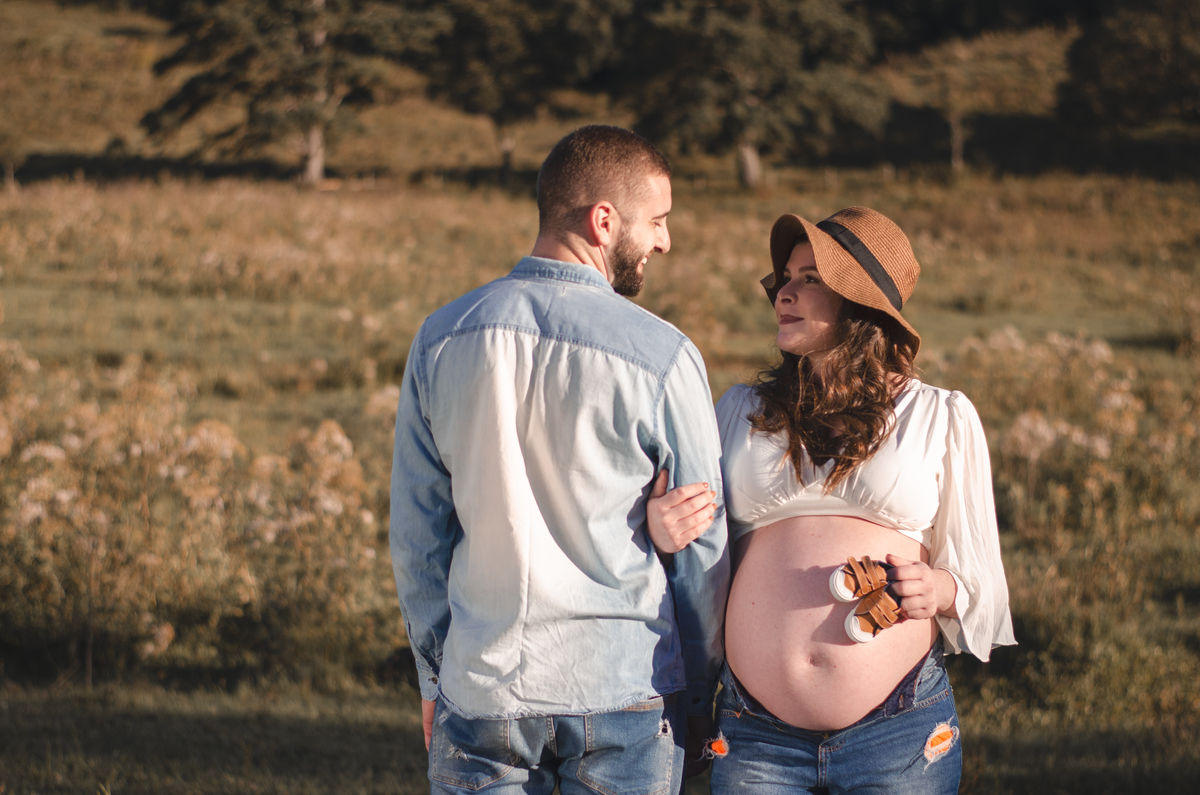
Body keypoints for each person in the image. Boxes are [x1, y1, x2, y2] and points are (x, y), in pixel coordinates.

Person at [389, 125, 729, 795]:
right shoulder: (662, 355)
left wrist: (435, 677)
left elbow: (417, 537)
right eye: (657, 220)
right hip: (625, 692)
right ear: (604, 221)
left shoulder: (441, 338)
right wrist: (698, 690)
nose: (665, 241)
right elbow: (703, 545)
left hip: (481, 689)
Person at [652, 207, 1015, 793]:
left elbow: (979, 582)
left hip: (897, 734)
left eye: (810, 279)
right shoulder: (741, 410)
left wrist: (937, 589)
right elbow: (696, 538)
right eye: (784, 279)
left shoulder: (938, 415)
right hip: (757, 735)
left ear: (861, 304)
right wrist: (663, 528)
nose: (783, 293)